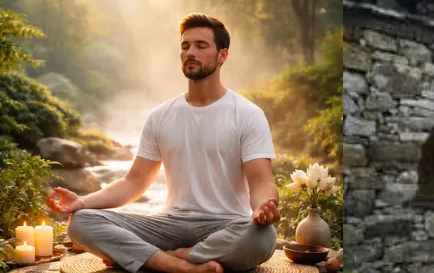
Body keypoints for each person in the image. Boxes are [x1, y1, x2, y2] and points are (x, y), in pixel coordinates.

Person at [48, 14, 279, 273]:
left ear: (222, 55)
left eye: (201, 46)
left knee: (263, 236)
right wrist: (82, 202)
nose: (190, 52)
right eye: (185, 46)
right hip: (168, 225)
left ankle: (174, 256)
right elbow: (133, 182)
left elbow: (261, 181)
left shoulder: (247, 114)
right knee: (81, 222)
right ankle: (178, 265)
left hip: (225, 226)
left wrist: (262, 207)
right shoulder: (160, 116)